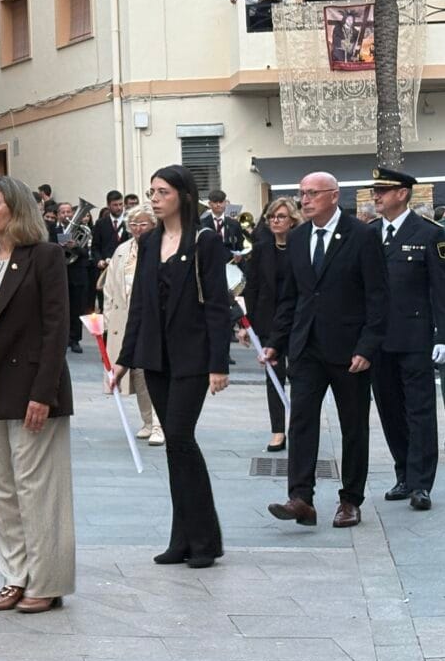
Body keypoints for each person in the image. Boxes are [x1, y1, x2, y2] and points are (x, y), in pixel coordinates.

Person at [0, 176, 75, 613]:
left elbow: (55, 328)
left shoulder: (44, 257)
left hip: (31, 385)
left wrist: (43, 392)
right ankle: (14, 576)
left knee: (36, 486)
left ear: (17, 209)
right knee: (2, 486)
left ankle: (46, 580)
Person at [112, 164, 231, 568]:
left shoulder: (205, 241)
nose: (155, 199)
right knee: (175, 451)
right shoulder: (148, 243)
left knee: (180, 438)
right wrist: (123, 361)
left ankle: (204, 540)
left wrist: (219, 364)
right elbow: (139, 307)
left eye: (162, 192)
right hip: (155, 356)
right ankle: (183, 539)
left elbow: (217, 304)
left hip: (192, 357)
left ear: (182, 194)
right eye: (152, 192)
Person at [263, 172, 386, 529]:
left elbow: (378, 297)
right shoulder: (298, 238)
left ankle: (350, 500)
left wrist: (367, 346)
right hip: (306, 348)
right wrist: (275, 342)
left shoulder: (362, 236)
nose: (305, 199)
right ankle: (301, 498)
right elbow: (291, 297)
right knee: (301, 422)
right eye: (302, 193)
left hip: (350, 351)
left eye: (313, 193)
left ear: (334, 196)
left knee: (353, 427)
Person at [370, 168, 445, 511]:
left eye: (383, 190)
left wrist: (442, 336)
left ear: (402, 194)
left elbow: (441, 291)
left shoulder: (430, 234)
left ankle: (421, 484)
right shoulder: (370, 234)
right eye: (375, 190)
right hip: (379, 339)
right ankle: (403, 474)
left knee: (420, 411)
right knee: (390, 410)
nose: (376, 196)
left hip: (416, 337)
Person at [100, 205, 163, 446]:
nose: (138, 229)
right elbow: (109, 288)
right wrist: (106, 320)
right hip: (124, 318)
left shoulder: (159, 247)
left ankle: (160, 424)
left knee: (151, 371)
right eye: (134, 225)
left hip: (150, 319)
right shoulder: (121, 250)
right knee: (135, 373)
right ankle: (147, 421)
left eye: (143, 224)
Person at [241, 197, 300, 453]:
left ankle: (299, 427)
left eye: (281, 217)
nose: (275, 221)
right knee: (273, 376)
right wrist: (247, 325)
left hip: (297, 321)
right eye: (272, 217)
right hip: (267, 320)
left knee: (300, 377)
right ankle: (277, 430)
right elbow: (252, 288)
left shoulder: (302, 246)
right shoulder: (262, 248)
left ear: (293, 220)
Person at [56, 201, 92, 353]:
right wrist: (61, 246)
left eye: (69, 212)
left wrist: (75, 246)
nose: (66, 215)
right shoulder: (52, 229)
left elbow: (86, 255)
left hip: (77, 274)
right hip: (59, 274)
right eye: (63, 212)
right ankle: (62, 338)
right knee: (60, 309)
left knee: (77, 308)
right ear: (58, 215)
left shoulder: (83, 230)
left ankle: (75, 340)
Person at [92, 189, 129, 273]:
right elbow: (95, 247)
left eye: (121, 204)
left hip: (125, 267)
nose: (119, 208)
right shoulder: (100, 223)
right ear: (108, 205)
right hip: (106, 268)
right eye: (115, 205)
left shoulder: (129, 222)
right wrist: (99, 261)